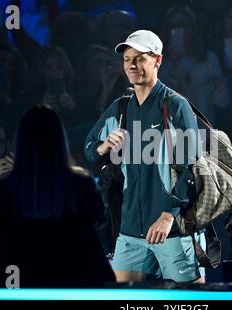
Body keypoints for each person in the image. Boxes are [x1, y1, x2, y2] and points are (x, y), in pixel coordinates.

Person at [84, 30, 205, 284]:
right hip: (130, 231)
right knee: (124, 303)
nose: (132, 64)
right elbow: (89, 150)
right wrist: (105, 146)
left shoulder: (175, 105)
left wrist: (168, 215)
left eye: (140, 58)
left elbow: (194, 167)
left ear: (157, 60)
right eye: (127, 59)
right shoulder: (121, 107)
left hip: (171, 231)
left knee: (190, 306)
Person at [0, 105, 115, 288]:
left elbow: (0, 234)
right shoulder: (82, 184)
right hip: (76, 276)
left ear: (21, 143)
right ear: (59, 140)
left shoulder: (4, 190)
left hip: (17, 279)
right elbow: (97, 222)